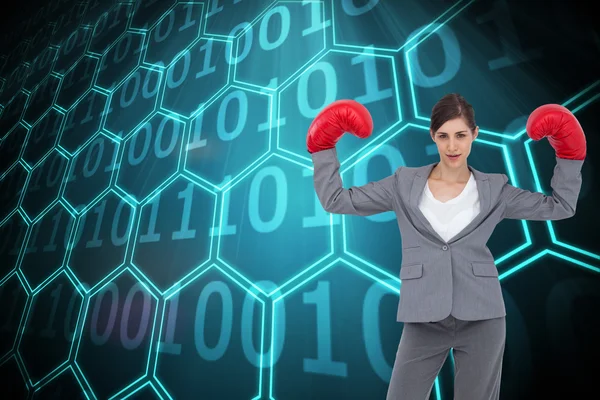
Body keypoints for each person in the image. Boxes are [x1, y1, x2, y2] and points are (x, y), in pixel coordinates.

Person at [307, 94, 586, 400]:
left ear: (474, 135)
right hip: (423, 316)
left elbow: (558, 206)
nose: (452, 146)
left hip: (483, 316)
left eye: (461, 135)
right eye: (443, 136)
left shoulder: (496, 190)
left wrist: (570, 155)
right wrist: (323, 148)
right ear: (433, 136)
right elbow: (337, 201)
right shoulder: (403, 183)